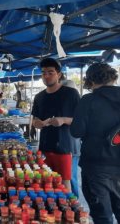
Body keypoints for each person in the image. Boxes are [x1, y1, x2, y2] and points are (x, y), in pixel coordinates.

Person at [70, 63, 120, 224]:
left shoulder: (89, 100)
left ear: (90, 81)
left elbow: (76, 131)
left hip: (96, 166)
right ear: (112, 77)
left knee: (102, 215)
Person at [31, 58, 80, 192]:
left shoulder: (71, 94)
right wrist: (37, 123)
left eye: (50, 72)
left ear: (59, 74)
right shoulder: (39, 97)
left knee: (65, 183)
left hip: (65, 147)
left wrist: (63, 120)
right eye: (43, 73)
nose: (46, 76)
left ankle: (72, 209)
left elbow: (80, 120)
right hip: (45, 147)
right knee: (46, 181)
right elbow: (35, 119)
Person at [61, 79, 81, 198]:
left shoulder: (77, 103)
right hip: (63, 146)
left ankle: (75, 203)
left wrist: (63, 120)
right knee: (65, 176)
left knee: (70, 176)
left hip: (71, 146)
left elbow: (79, 121)